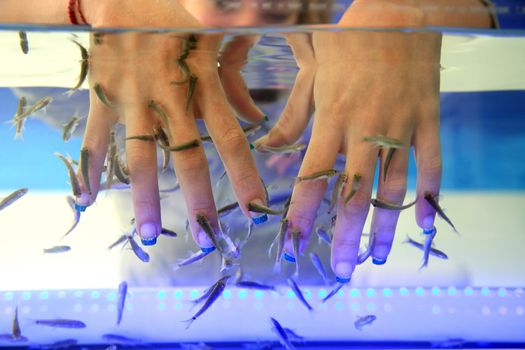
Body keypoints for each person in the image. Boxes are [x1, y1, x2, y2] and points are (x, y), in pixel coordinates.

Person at [0, 0, 497, 284]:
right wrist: (98, 7)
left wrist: (412, 11)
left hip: (321, 311)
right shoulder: (101, 87)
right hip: (162, 300)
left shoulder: (385, 82)